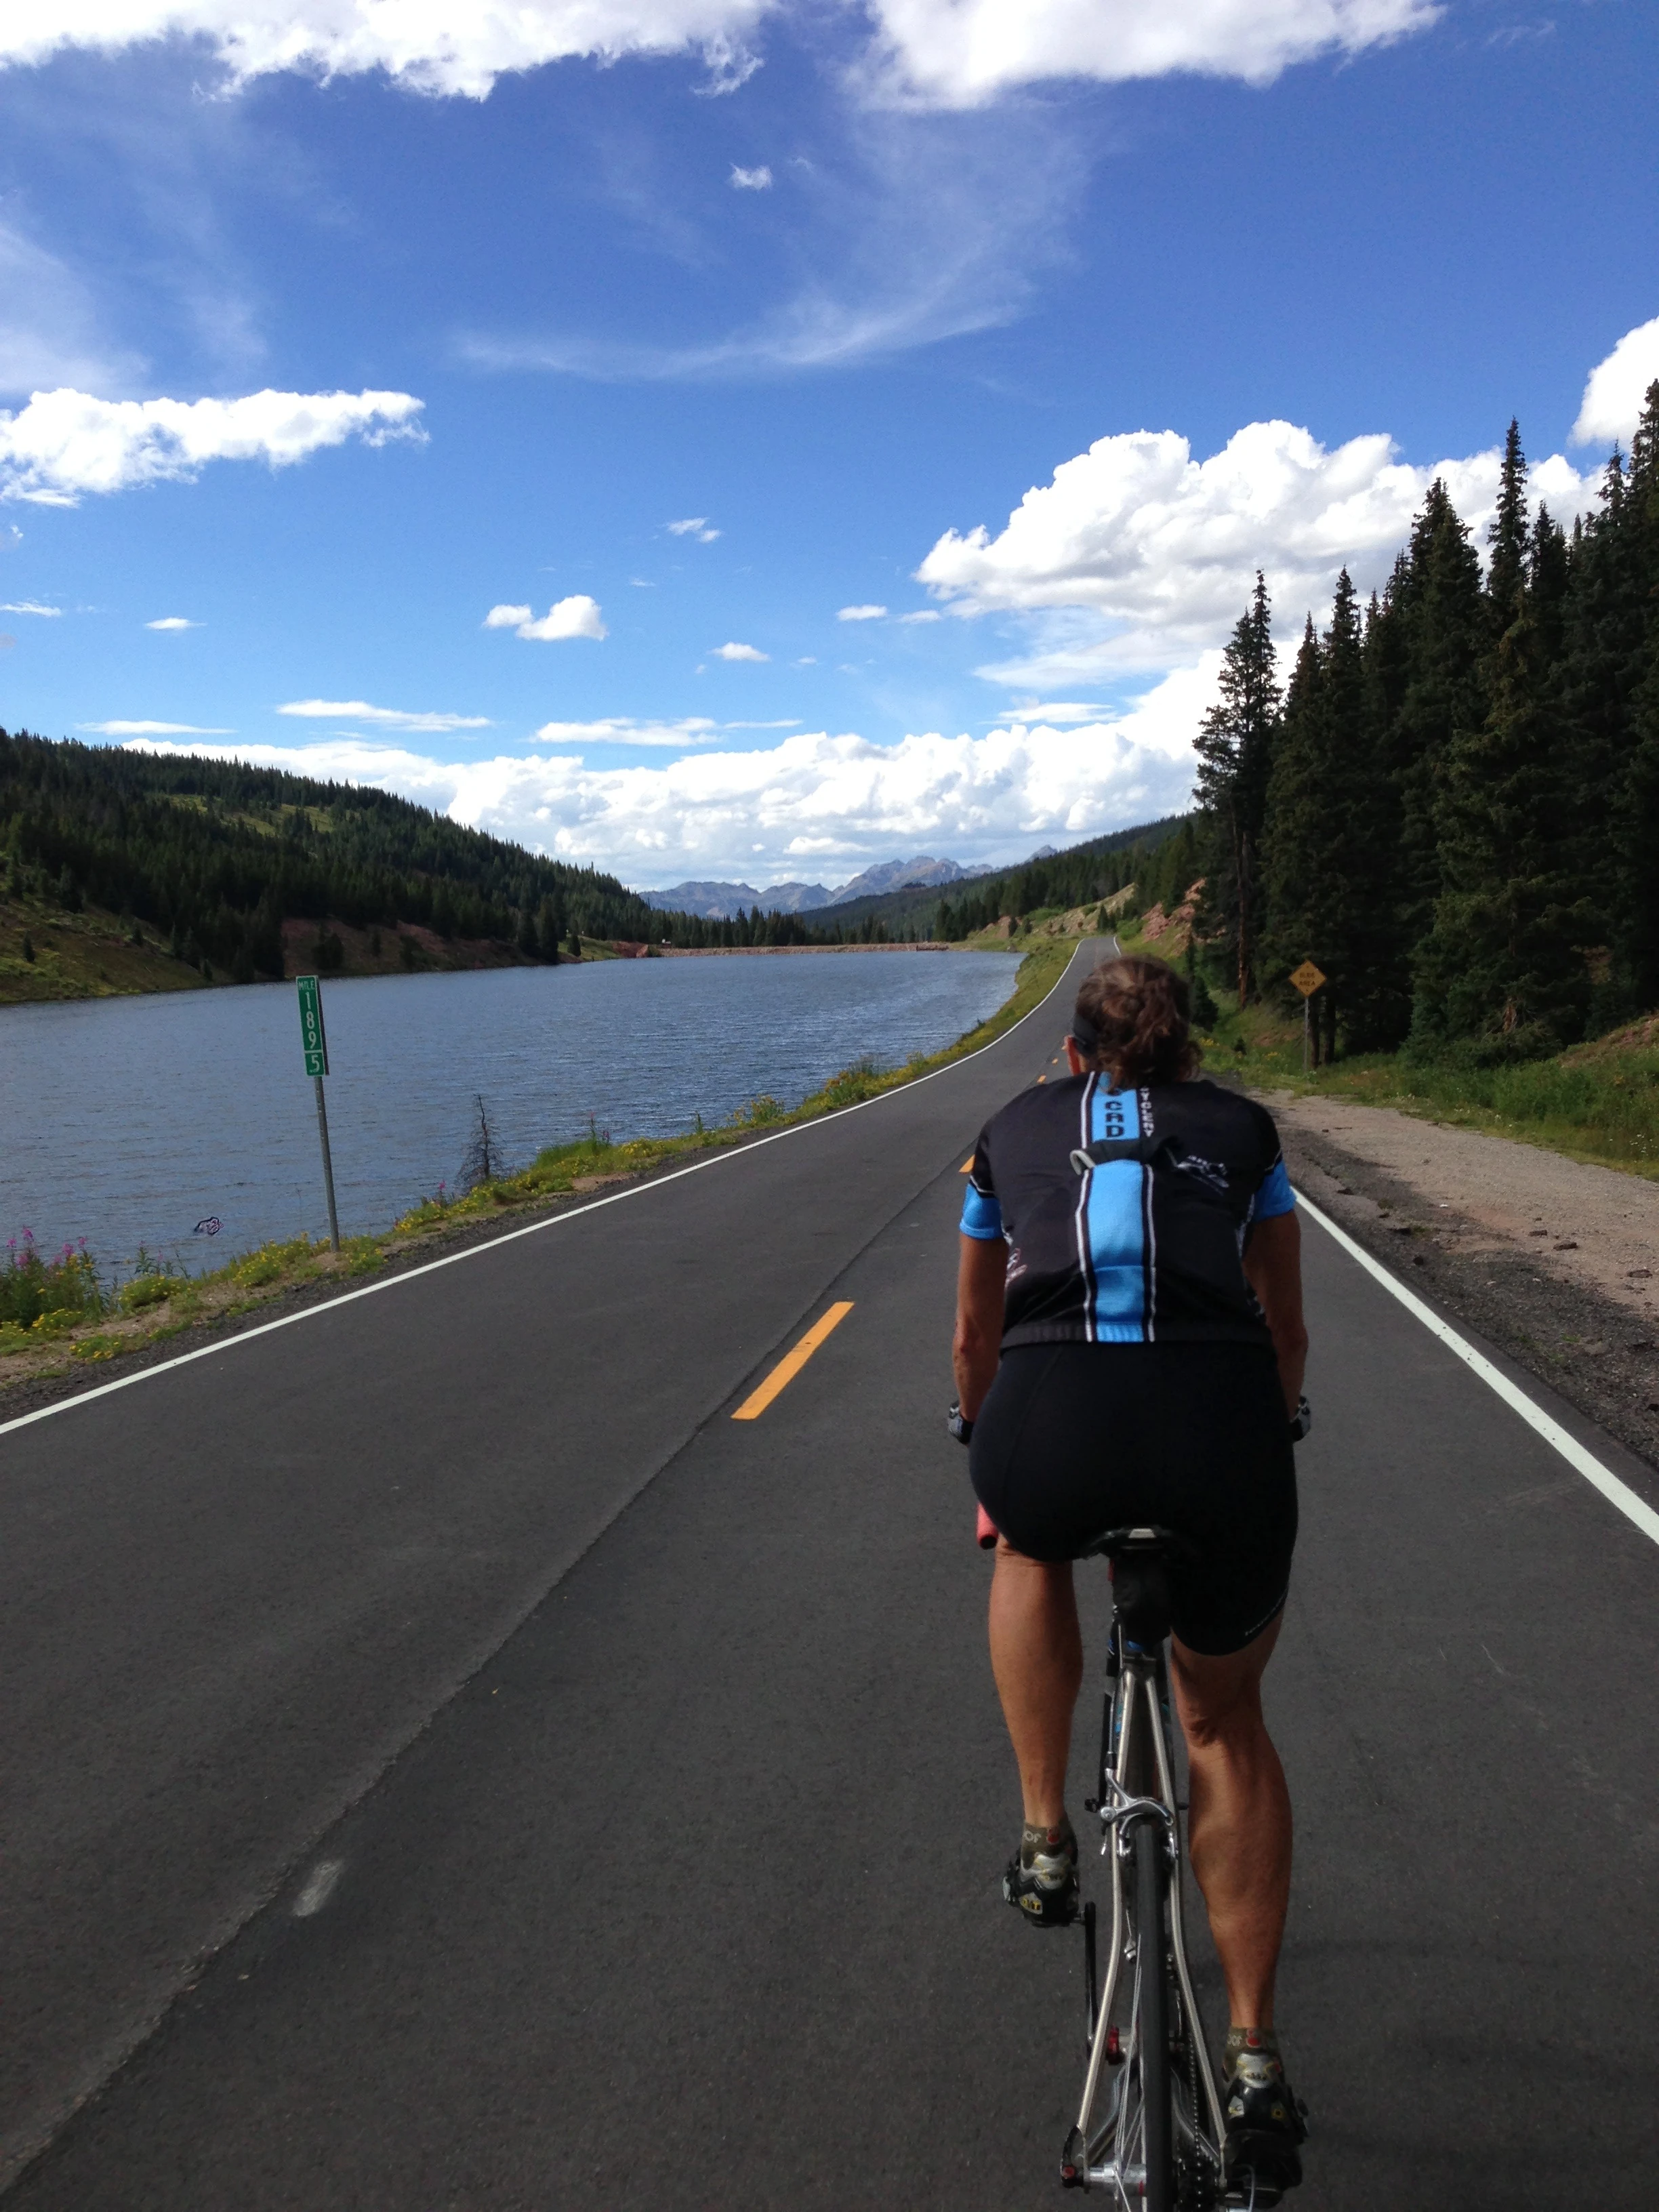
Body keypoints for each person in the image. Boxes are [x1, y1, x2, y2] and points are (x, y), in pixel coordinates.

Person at [950, 953, 1309, 2194]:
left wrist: (981, 1434)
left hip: (1051, 1420)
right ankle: (1256, 2058)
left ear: (1071, 1058)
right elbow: (1288, 1330)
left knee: (1027, 1541)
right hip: (1219, 1426)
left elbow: (972, 1338)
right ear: (1187, 1050)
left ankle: (1048, 1834)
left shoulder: (1008, 1130)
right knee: (1225, 1723)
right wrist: (1279, 1427)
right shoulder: (1245, 1130)